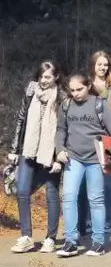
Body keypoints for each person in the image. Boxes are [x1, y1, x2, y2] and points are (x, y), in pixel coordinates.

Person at [55, 72, 111, 257]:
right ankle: (70, 241)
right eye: (72, 90)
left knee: (96, 200)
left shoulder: (100, 105)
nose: (75, 93)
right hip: (73, 158)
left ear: (88, 86)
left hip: (96, 159)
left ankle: (98, 242)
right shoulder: (66, 105)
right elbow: (61, 129)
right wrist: (59, 148)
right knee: (68, 198)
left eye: (80, 89)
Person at [9, 61, 67, 254]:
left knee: (51, 193)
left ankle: (50, 238)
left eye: (48, 77)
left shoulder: (62, 96)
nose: (43, 80)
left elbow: (64, 128)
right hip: (28, 148)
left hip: (50, 152)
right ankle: (26, 236)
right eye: (41, 76)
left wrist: (60, 156)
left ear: (56, 77)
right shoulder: (30, 92)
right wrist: (14, 149)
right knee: (22, 190)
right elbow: (20, 118)